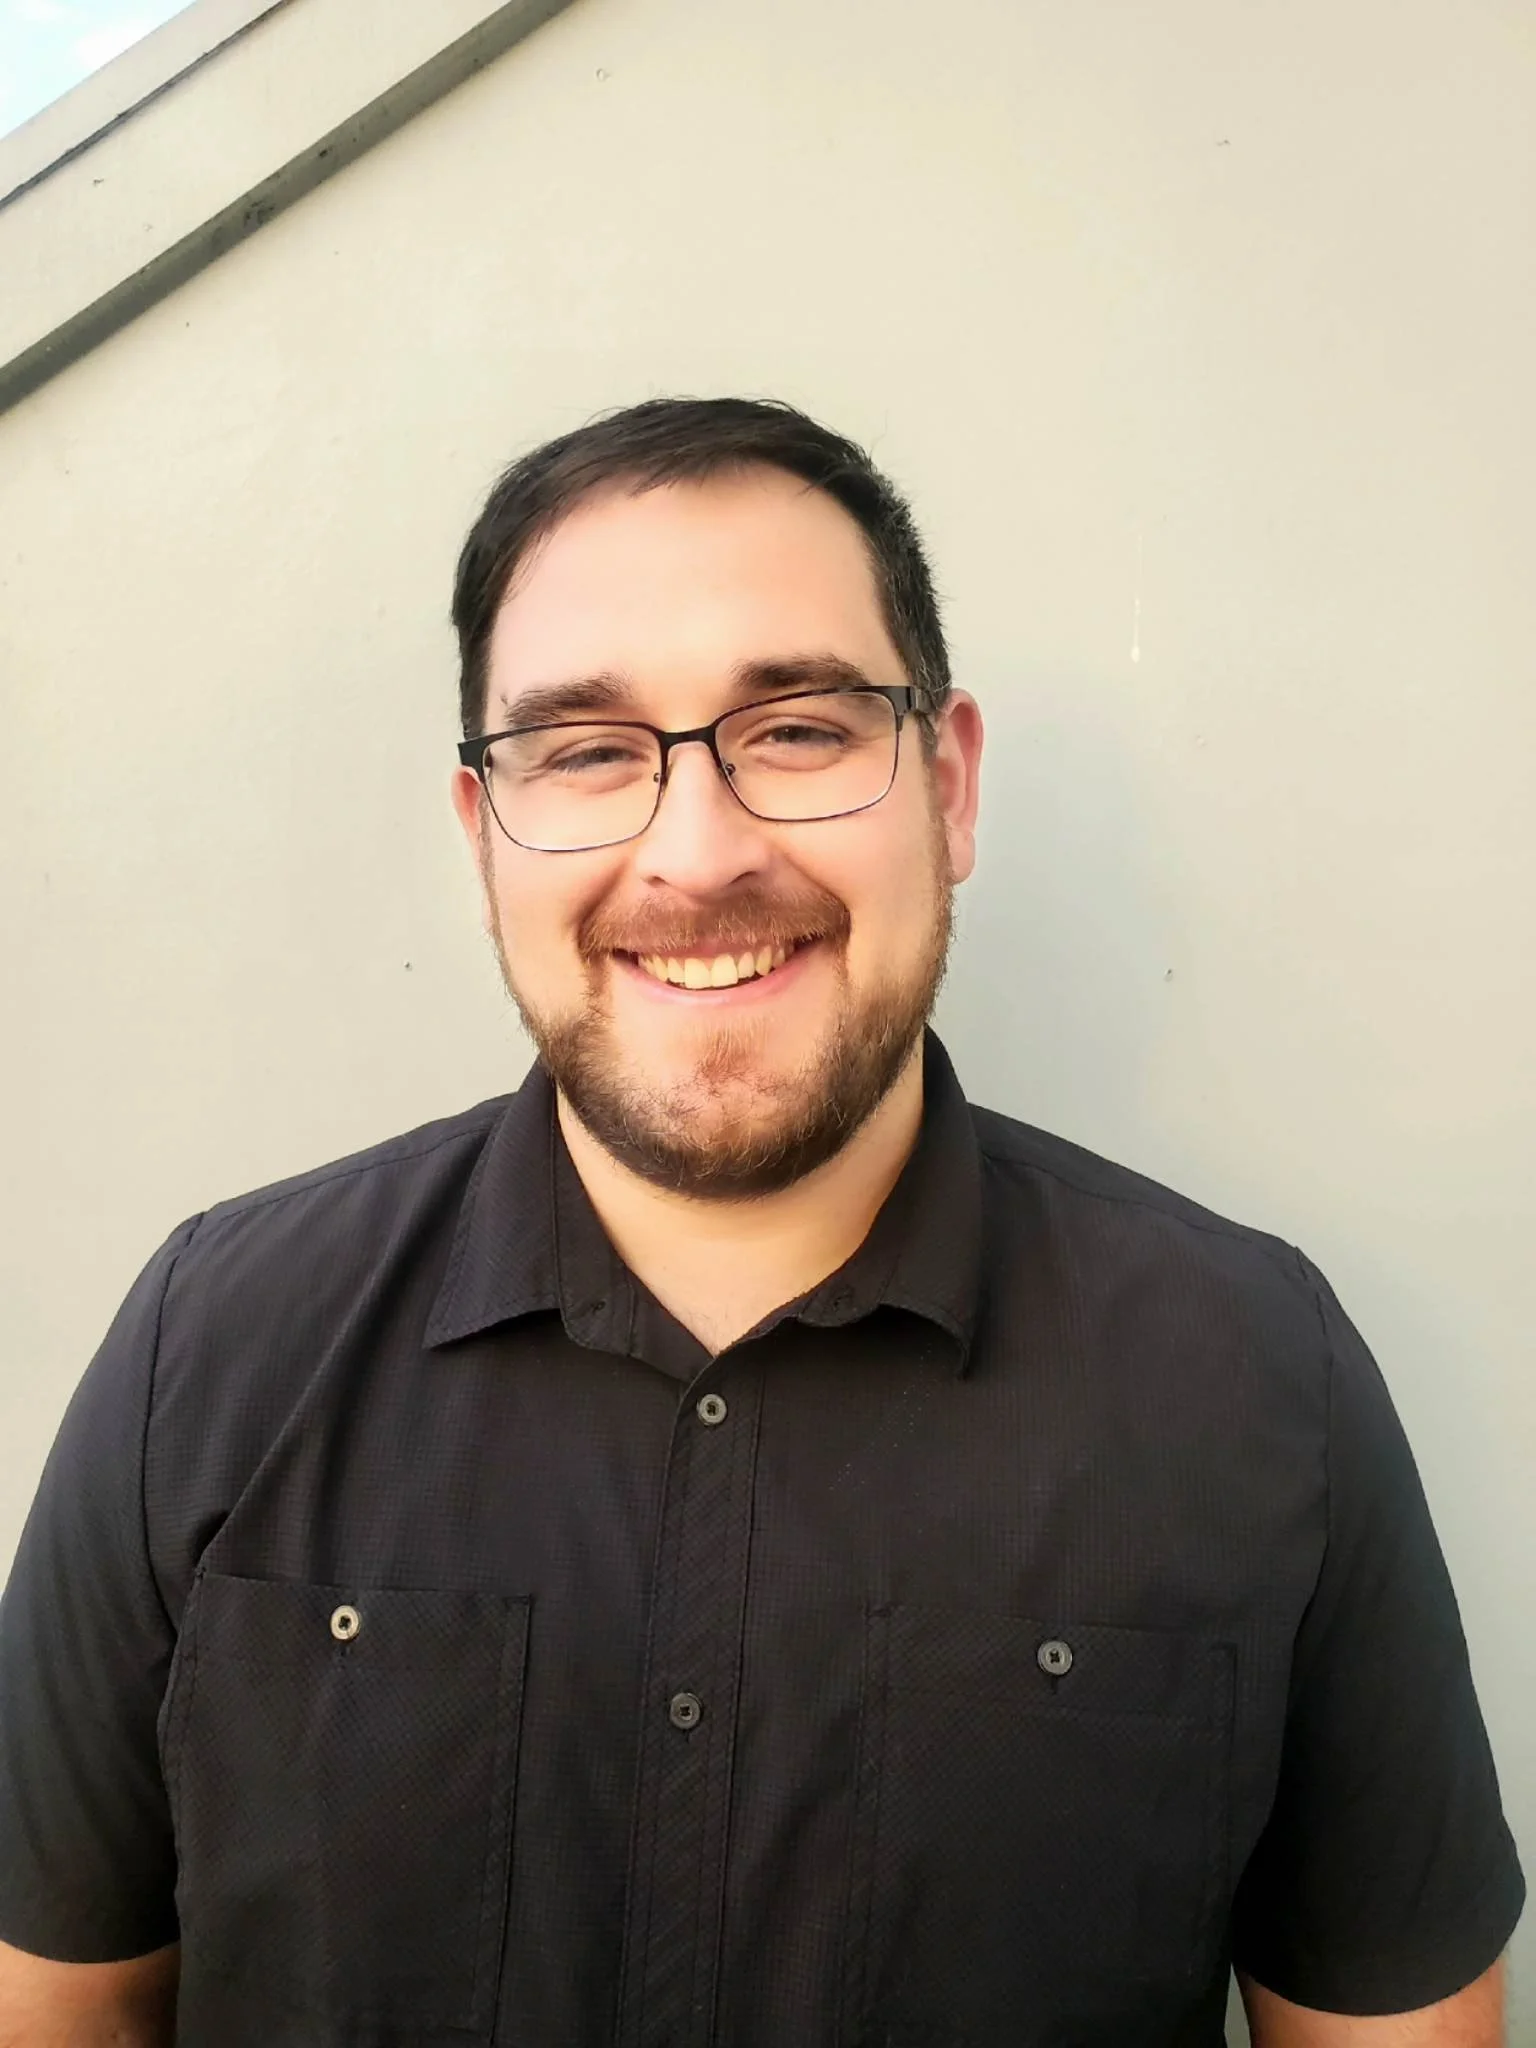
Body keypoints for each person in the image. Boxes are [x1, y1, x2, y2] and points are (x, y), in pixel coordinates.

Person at [0, 397, 1522, 2048]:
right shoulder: (210, 1349)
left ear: (946, 787)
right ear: (480, 837)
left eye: (796, 727)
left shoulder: (1256, 1382)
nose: (699, 850)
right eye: (583, 750)